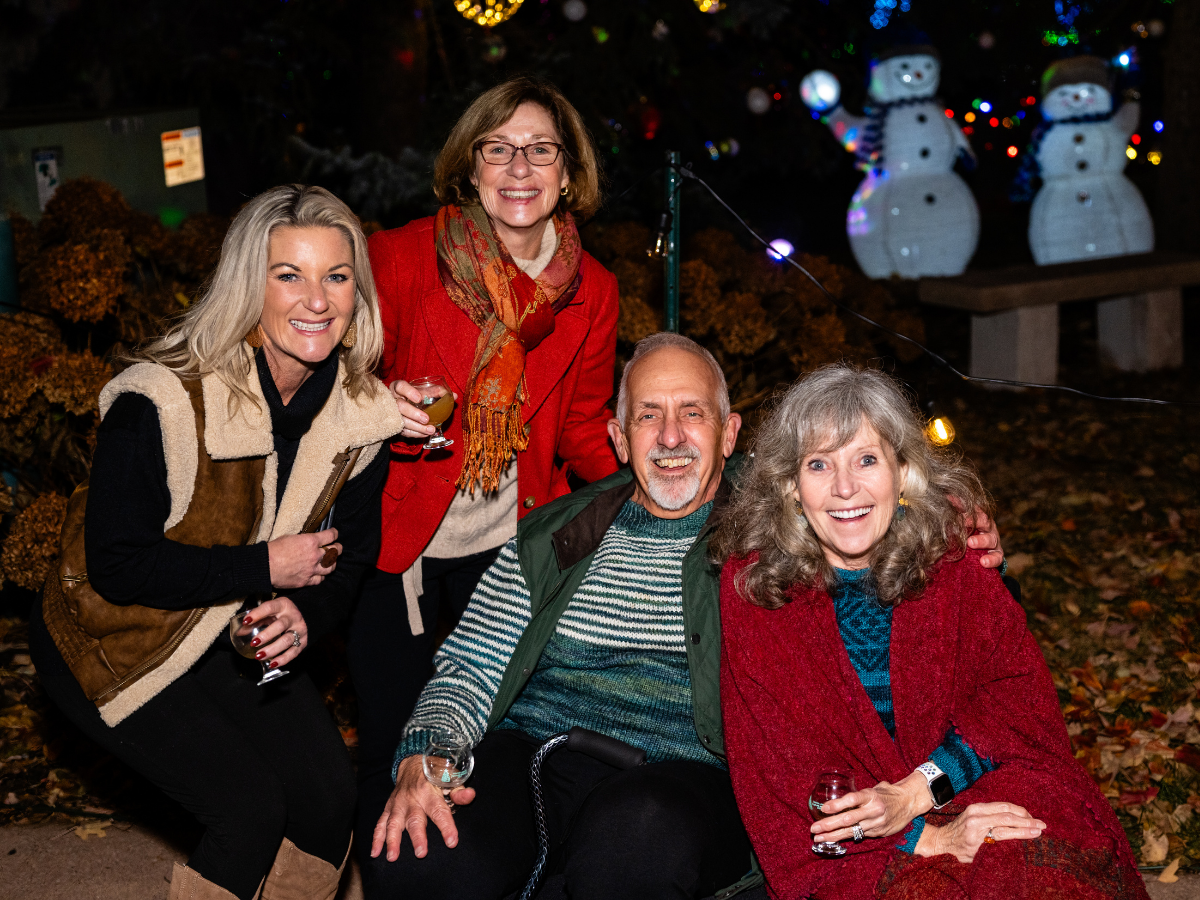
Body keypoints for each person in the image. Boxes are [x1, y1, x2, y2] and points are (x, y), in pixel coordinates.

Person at [363, 334, 1007, 900]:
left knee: (632, 841)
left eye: (691, 414)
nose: (671, 438)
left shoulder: (779, 529)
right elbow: (470, 666)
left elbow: (865, 498)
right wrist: (426, 755)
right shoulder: (552, 536)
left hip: (689, 775)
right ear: (618, 438)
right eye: (648, 417)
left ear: (729, 433)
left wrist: (952, 518)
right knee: (420, 855)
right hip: (537, 756)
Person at [29, 185, 403, 900]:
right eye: (287, 274)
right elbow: (117, 566)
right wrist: (266, 566)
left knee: (327, 799)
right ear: (247, 287)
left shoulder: (361, 419)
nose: (316, 299)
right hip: (111, 635)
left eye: (337, 275)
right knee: (248, 810)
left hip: (222, 629)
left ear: (359, 291)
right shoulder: (160, 401)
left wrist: (304, 615)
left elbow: (349, 558)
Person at [714, 365, 1148, 900]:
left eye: (867, 460)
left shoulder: (951, 556)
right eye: (819, 464)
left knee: (1037, 865)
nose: (845, 487)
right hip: (853, 839)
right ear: (790, 487)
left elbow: (1015, 702)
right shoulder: (758, 590)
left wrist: (918, 793)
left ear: (903, 472)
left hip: (969, 782)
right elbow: (780, 771)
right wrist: (925, 836)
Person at [350, 75, 620, 840]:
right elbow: (337, 383)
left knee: (495, 738)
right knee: (393, 735)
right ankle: (396, 879)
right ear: (471, 168)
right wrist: (380, 404)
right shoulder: (399, 258)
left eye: (540, 150)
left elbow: (583, 432)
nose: (519, 169)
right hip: (397, 537)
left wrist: (668, 500)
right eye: (498, 149)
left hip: (510, 547)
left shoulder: (592, 290)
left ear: (568, 173)